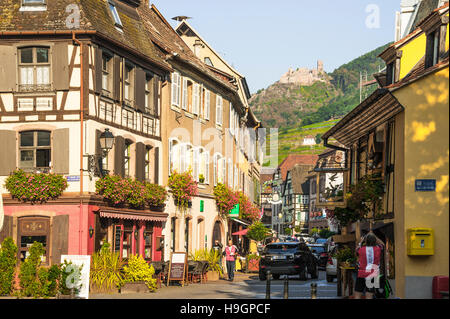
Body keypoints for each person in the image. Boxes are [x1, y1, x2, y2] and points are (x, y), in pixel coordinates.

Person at [354, 231, 385, 299]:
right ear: (375, 241)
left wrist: (362, 240)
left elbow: (357, 247)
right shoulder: (378, 249)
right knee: (369, 295)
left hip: (361, 273)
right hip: (374, 274)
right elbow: (383, 244)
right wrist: (374, 236)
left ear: (366, 241)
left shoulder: (361, 249)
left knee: (357, 294)